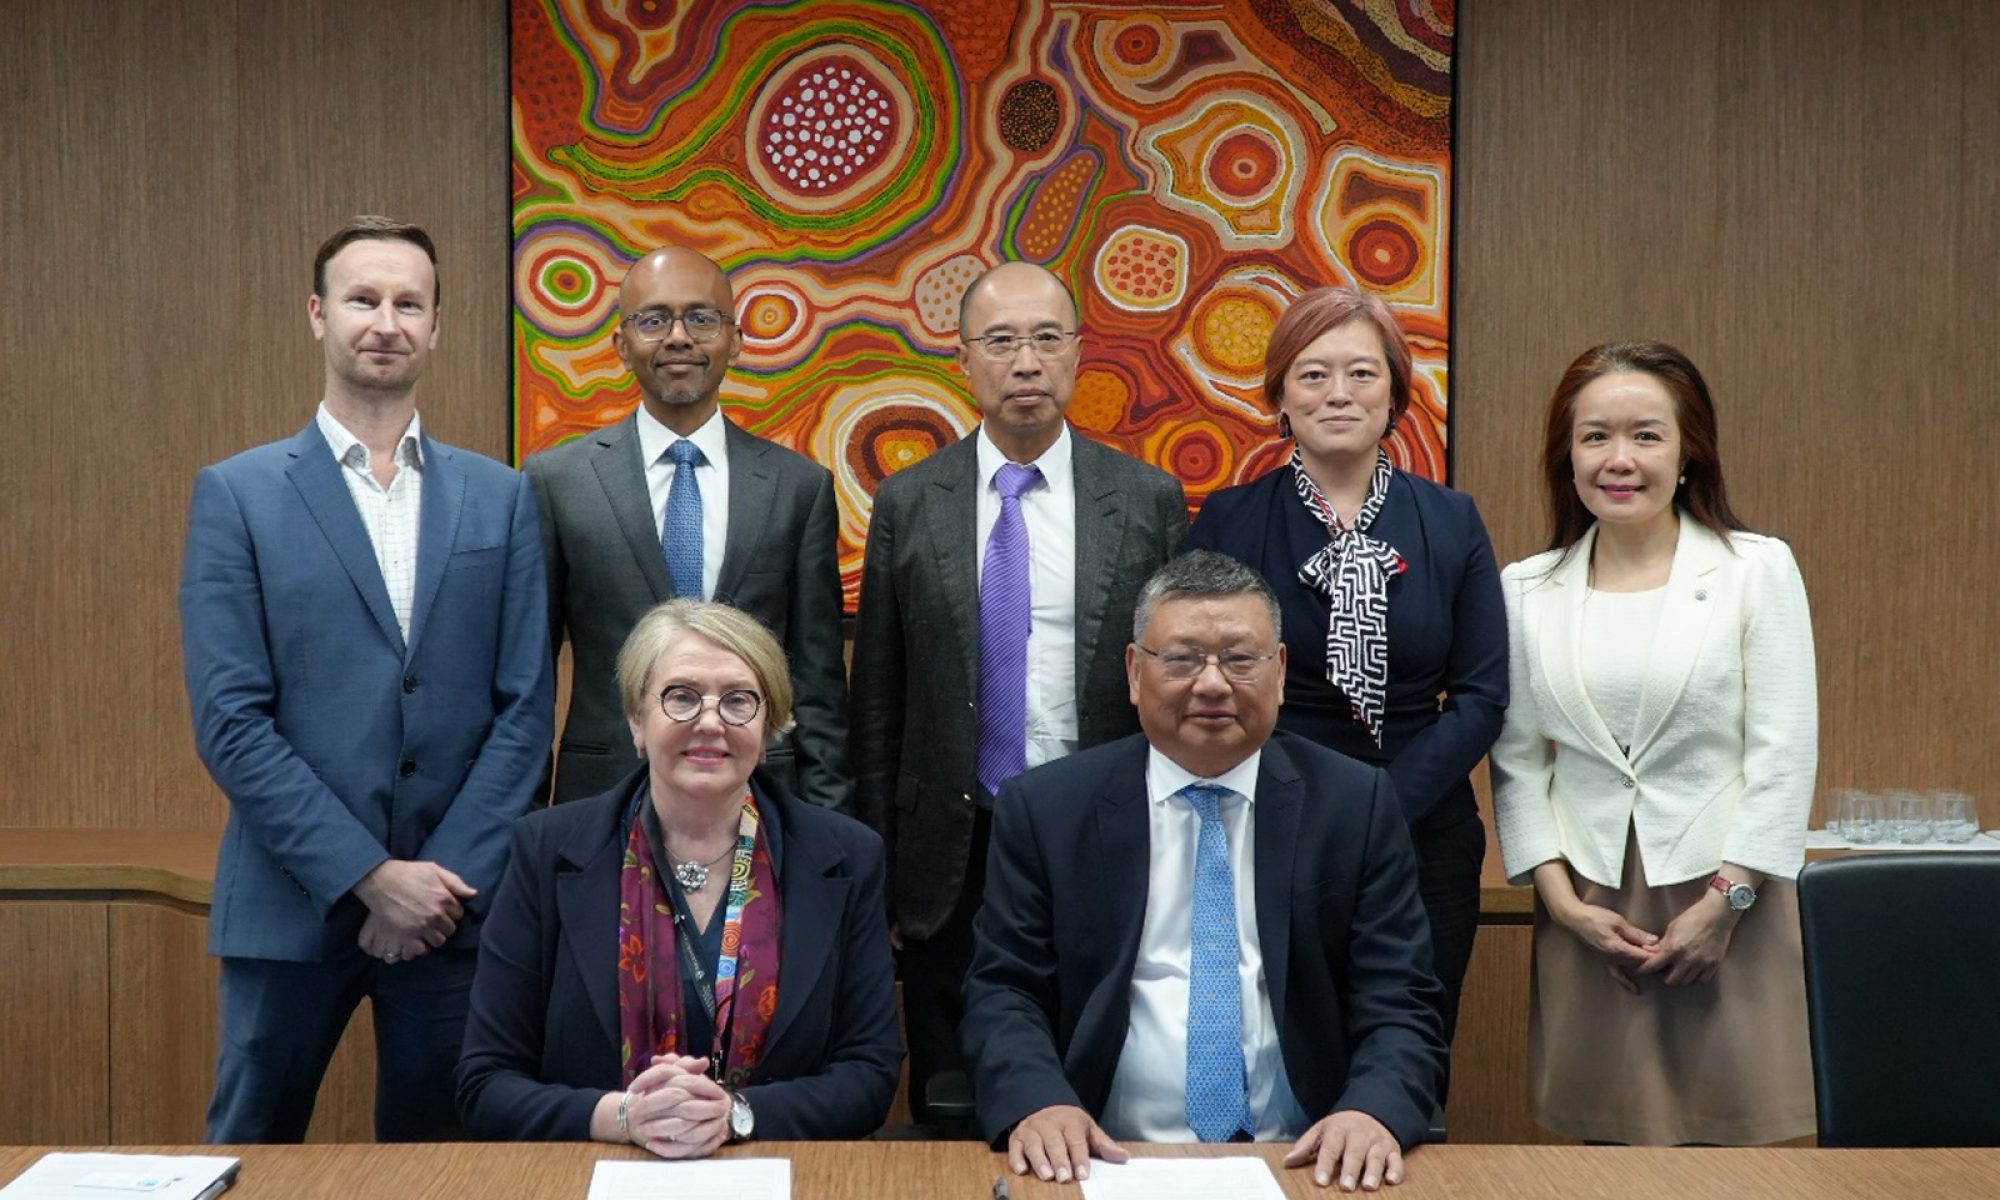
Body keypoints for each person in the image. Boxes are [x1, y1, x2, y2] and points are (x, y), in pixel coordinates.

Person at [179, 216, 554, 1142]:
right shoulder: (239, 493)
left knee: (447, 1173)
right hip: (290, 901)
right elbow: (231, 720)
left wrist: (436, 885)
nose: (384, 320)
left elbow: (525, 708)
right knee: (252, 1152)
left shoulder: (500, 496)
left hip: (453, 916)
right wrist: (367, 877)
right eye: (362, 299)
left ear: (437, 326)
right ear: (317, 315)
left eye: (408, 302)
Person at [962, 551, 1447, 1191]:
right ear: (1136, 672)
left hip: (1305, 1159)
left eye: (1240, 660)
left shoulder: (1354, 805)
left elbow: (1401, 999)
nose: (1212, 684)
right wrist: (1038, 1101)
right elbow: (1005, 989)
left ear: (1279, 673)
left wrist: (1371, 1110)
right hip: (1101, 1156)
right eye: (1183, 659)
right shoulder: (1048, 808)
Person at [849, 261, 1187, 1124]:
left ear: (1078, 353)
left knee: (1101, 1069)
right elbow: (879, 698)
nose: (1026, 361)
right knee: (952, 1095)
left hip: (1098, 830)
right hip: (949, 849)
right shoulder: (909, 500)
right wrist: (883, 862)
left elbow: (1177, 686)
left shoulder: (1146, 499)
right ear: (965, 360)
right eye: (1001, 341)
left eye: (1046, 338)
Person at [1489, 341, 1818, 1144]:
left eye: (1646, 434)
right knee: (1600, 1154)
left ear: (1688, 451)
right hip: (1591, 907)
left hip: (1728, 898)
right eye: (1595, 436)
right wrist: (1564, 907)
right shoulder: (1527, 588)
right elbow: (1517, 761)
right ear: (1566, 455)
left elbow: (1783, 751)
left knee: (1742, 1151)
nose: (1619, 459)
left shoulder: (1754, 569)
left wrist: (1726, 903)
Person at [456, 599, 902, 1153]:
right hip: (593, 1170)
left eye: (738, 701)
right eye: (681, 696)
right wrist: (625, 1116)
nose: (711, 721)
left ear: (767, 731)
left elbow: (870, 1072)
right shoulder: (546, 852)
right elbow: (485, 1083)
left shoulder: (845, 857)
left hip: (774, 1168)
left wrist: (736, 1115)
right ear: (636, 720)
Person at [1184, 285, 1505, 1052]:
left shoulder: (1451, 520)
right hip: (1272, 816)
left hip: (1422, 829)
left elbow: (1482, 695)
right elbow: (1210, 684)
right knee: (1284, 1049)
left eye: (1362, 373)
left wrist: (1381, 807)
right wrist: (1318, 808)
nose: (1338, 393)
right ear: (1281, 396)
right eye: (1313, 373)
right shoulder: (1229, 520)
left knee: (1409, 1050)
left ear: (1395, 390)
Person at [525, 246, 851, 811]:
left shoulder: (798, 487)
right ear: (622, 345)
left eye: (701, 318)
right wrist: (524, 825)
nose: (678, 336)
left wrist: (829, 828)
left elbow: (818, 684)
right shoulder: (556, 481)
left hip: (761, 795)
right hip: (602, 793)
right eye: (653, 320)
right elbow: (530, 678)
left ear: (735, 339)